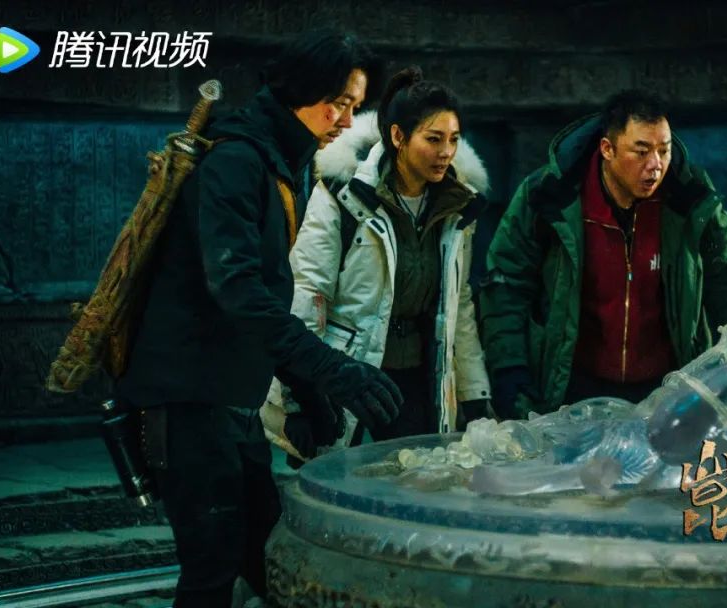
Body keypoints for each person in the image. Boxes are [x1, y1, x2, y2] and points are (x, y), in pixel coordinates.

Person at [113, 30, 403, 607]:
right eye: (339, 103)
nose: (348, 121)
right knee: (211, 570)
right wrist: (330, 371)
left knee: (267, 554)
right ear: (301, 89)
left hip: (228, 399)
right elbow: (238, 291)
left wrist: (306, 390)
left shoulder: (277, 157)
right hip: (188, 400)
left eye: (354, 106)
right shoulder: (237, 160)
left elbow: (265, 294)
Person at [481, 89, 727, 420]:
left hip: (667, 387)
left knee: (689, 456)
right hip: (572, 386)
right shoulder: (549, 197)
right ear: (607, 149)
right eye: (641, 152)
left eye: (664, 150)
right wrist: (509, 371)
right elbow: (507, 286)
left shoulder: (690, 200)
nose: (655, 165)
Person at [283, 66, 492, 443]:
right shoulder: (343, 195)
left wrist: (474, 394)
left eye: (454, 139)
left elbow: (458, 304)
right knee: (346, 475)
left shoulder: (456, 206)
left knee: (417, 473)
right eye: (433, 139)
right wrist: (301, 397)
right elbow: (309, 293)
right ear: (398, 137)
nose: (446, 152)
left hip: (421, 380)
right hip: (349, 375)